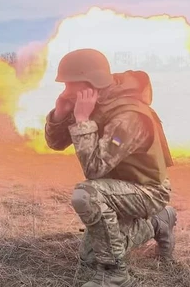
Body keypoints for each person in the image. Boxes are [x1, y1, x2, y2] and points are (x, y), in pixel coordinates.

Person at [44, 48, 177, 286]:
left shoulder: (128, 116)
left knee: (86, 194)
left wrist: (83, 120)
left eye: (69, 85)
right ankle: (159, 221)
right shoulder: (94, 101)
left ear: (89, 82)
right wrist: (60, 114)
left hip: (147, 190)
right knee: (90, 256)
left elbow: (95, 169)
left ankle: (114, 275)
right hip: (119, 187)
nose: (65, 91)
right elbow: (56, 143)